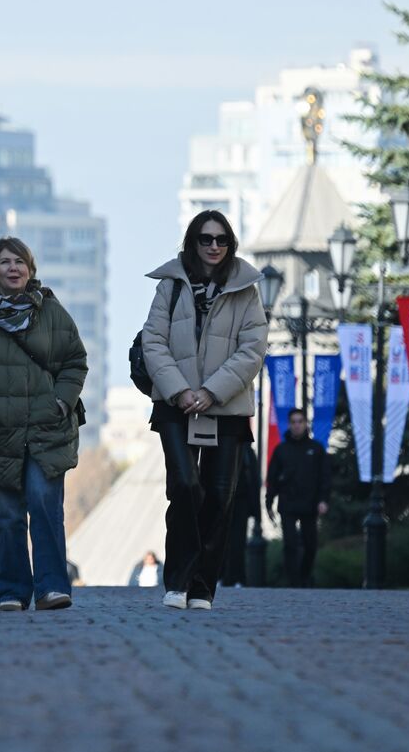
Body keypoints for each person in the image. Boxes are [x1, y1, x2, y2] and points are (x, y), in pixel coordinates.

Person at [141, 210, 268, 612]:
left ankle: (202, 587)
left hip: (226, 406)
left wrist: (212, 392)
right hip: (175, 405)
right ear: (191, 242)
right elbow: (153, 341)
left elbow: (253, 349)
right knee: (184, 485)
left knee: (219, 496)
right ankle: (176, 581)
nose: (213, 246)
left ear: (230, 244)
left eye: (221, 240)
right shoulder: (170, 287)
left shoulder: (247, 289)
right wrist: (180, 392)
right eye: (205, 238)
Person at [0, 237, 88, 612]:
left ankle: (52, 588)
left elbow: (75, 361)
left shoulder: (54, 313)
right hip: (1, 431)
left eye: (20, 262)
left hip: (49, 428)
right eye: (5, 262)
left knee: (45, 507)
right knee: (9, 515)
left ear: (30, 269)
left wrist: (62, 402)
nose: (13, 268)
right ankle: (11, 590)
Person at [266, 408, 332, 588]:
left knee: (311, 545)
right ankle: (294, 582)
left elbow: (325, 477)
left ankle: (304, 576)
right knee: (290, 544)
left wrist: (323, 500)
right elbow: (272, 479)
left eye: (300, 421)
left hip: (310, 504)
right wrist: (269, 502)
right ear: (289, 424)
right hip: (287, 503)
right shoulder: (281, 450)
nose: (296, 425)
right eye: (293, 422)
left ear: (305, 424)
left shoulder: (316, 449)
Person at [221, 441, 261, 587]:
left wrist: (257, 511)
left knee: (238, 542)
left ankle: (236, 577)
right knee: (221, 540)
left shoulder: (246, 451)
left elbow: (254, 480)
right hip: (222, 499)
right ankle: (222, 576)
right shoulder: (222, 447)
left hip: (240, 501)